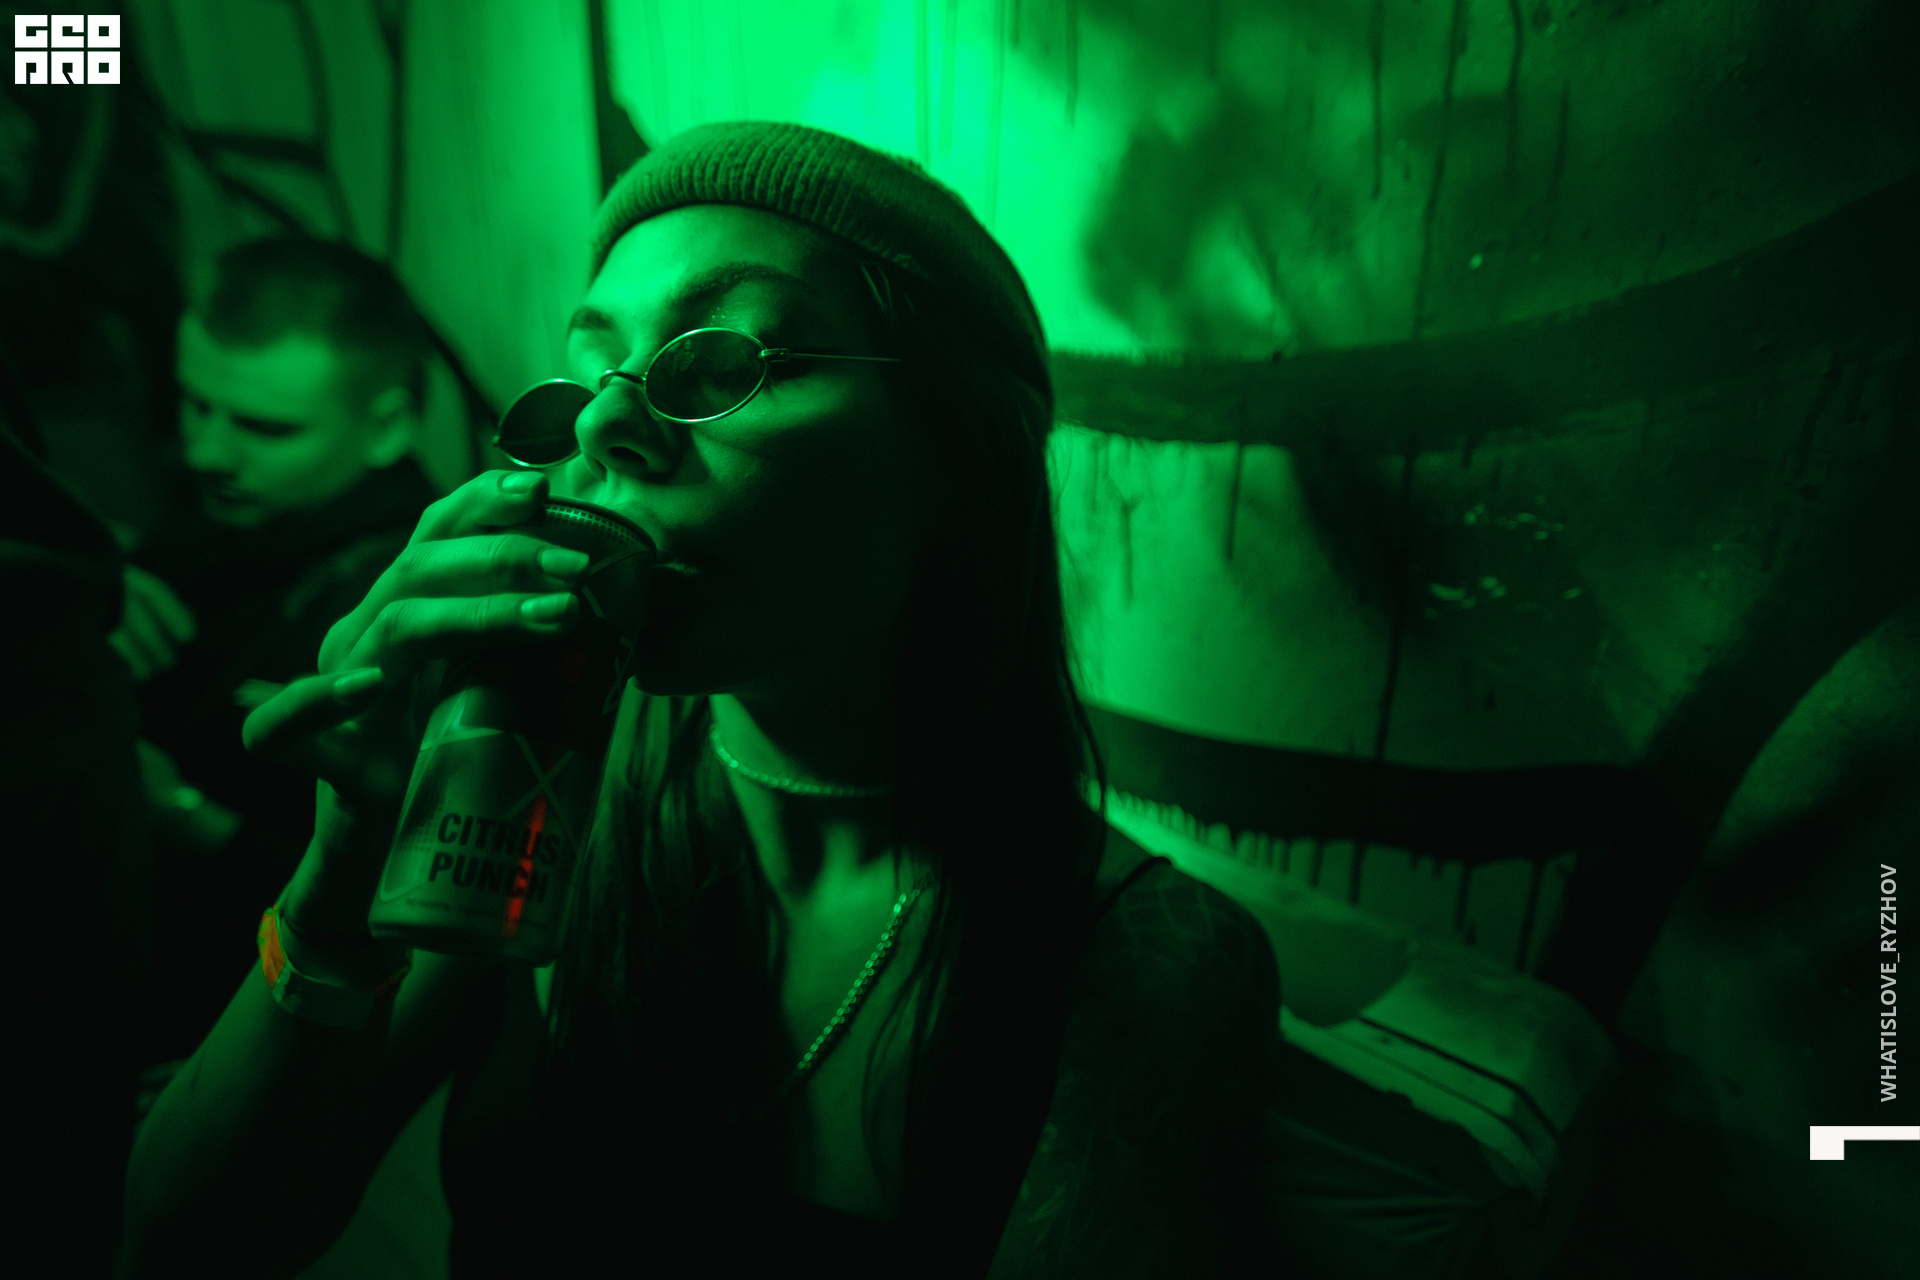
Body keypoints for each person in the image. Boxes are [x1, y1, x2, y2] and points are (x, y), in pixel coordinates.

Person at [121, 123, 1279, 1278]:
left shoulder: (1142, 956)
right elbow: (178, 1246)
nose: (599, 427)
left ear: (961, 455)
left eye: (725, 362)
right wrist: (341, 869)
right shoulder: (541, 800)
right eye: (587, 376)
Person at [121, 235, 441, 1070]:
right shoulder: (225, 532)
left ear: (386, 426)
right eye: (195, 405)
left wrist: (178, 811)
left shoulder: (406, 612)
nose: (207, 453)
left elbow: (404, 911)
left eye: (265, 428)